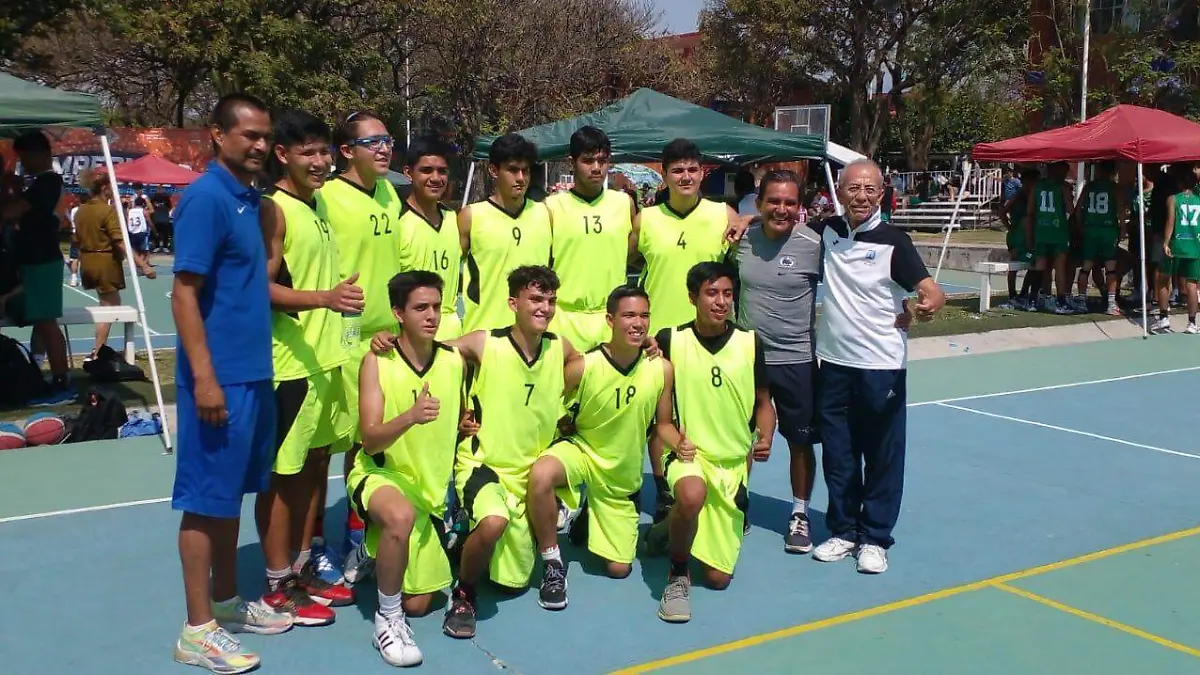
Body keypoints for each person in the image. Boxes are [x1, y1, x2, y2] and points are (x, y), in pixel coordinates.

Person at [170, 93, 294, 675]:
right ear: (217, 136)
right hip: (218, 382)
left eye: (266, 137)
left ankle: (224, 603)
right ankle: (197, 629)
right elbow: (184, 295)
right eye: (248, 136)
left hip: (254, 375)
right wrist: (205, 380)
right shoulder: (206, 200)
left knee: (231, 498)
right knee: (204, 502)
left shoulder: (251, 201)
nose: (260, 146)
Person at [810, 159, 945, 575]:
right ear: (841, 192)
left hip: (880, 366)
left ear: (882, 193)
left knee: (882, 454)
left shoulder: (894, 242)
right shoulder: (826, 232)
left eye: (870, 189)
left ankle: (875, 538)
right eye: (854, 189)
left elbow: (931, 292)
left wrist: (925, 306)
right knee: (839, 452)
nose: (862, 197)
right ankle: (844, 530)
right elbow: (777, 222)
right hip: (832, 363)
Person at [254, 109, 361, 628]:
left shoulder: (313, 204)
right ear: (282, 155)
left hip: (324, 361)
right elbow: (260, 287)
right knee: (282, 477)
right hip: (289, 365)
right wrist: (325, 297)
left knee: (312, 470)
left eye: (323, 152)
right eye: (308, 152)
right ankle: (276, 586)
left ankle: (298, 568)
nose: (319, 162)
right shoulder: (274, 209)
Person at [440, 266, 582, 639]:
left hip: (527, 473)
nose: (545, 308)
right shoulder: (484, 343)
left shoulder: (560, 349)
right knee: (493, 524)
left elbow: (590, 366)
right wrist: (457, 411)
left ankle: (463, 532)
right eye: (535, 299)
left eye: (550, 300)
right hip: (482, 463)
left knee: (513, 582)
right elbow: (430, 357)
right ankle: (463, 596)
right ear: (512, 302)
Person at [526, 285, 675, 610]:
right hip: (582, 451)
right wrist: (565, 425)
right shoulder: (584, 366)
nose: (638, 323)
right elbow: (552, 404)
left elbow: (663, 425)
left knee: (619, 569)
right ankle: (552, 563)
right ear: (610, 319)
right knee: (541, 474)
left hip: (620, 472)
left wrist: (685, 448)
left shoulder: (660, 369)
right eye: (629, 316)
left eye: (644, 315)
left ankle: (590, 514)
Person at [643, 261, 775, 623]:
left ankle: (664, 530)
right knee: (689, 496)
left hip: (732, 466)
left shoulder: (750, 342)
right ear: (692, 297)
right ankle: (678, 575)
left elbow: (764, 404)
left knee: (718, 579)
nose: (721, 301)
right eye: (711, 293)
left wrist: (765, 435)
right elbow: (660, 417)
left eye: (728, 294)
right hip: (689, 456)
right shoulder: (671, 340)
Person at [353, 270, 468, 667]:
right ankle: (387, 619)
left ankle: (376, 553)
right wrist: (411, 416)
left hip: (429, 493)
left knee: (420, 603)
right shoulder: (376, 361)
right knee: (398, 516)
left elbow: (501, 338)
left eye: (436, 306)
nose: (432, 315)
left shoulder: (453, 360)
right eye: (421, 308)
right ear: (398, 313)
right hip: (380, 474)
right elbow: (370, 440)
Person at [632, 138, 748, 524]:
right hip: (659, 341)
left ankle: (731, 491)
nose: (685, 176)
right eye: (676, 170)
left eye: (692, 169)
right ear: (663, 175)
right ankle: (665, 490)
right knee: (658, 421)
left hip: (711, 338)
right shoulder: (645, 220)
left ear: (703, 173)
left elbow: (756, 238)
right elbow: (625, 272)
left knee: (721, 416)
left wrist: (751, 219)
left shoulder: (722, 214)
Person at [318, 110, 405, 581]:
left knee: (373, 442)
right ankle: (318, 545)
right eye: (373, 142)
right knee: (325, 451)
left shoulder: (389, 192)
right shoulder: (327, 196)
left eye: (387, 139)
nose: (385, 148)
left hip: (385, 337)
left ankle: (360, 535)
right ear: (347, 151)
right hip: (343, 336)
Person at [733, 170, 820, 554]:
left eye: (789, 202)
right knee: (740, 440)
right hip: (746, 359)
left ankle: (800, 513)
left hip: (796, 360)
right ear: (759, 202)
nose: (781, 209)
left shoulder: (814, 245)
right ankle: (737, 506)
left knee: (800, 443)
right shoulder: (739, 240)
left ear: (799, 207)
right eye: (773, 201)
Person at [545, 126, 636, 352]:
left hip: (612, 319)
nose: (596, 168)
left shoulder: (624, 204)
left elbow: (633, 253)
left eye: (602, 161)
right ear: (571, 162)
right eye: (587, 161)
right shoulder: (551, 207)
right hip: (565, 319)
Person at [1, 131, 71, 400]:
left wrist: (8, 193)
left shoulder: (49, 182)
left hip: (43, 261)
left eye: (25, 156)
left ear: (41, 154)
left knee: (47, 323)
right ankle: (48, 374)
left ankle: (62, 381)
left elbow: (12, 210)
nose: (23, 162)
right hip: (32, 260)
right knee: (41, 323)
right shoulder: (39, 183)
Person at [459, 133, 552, 334]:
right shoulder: (471, 217)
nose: (520, 178)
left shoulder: (544, 214)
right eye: (512, 170)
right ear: (493, 170)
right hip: (485, 334)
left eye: (525, 171)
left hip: (534, 336)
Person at [74, 168, 154, 359]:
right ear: (104, 188)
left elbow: (77, 238)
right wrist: (142, 264)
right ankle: (97, 350)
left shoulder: (81, 210)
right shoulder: (107, 210)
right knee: (110, 307)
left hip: (88, 261)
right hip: (104, 262)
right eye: (112, 186)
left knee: (108, 304)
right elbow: (120, 241)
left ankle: (99, 348)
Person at [396, 136, 462, 340]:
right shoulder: (397, 222)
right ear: (408, 172)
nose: (436, 178)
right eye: (426, 170)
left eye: (442, 171)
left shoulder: (454, 220)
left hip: (452, 335)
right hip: (410, 338)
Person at [1074, 161, 1125, 316]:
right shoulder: (1114, 188)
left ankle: (1082, 301)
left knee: (1085, 267)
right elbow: (1121, 210)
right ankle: (1110, 303)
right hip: (1108, 230)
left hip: (1091, 229)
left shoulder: (1089, 186)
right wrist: (1122, 228)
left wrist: (1080, 227)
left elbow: (1078, 210)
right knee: (1111, 268)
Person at [1026, 161, 1074, 314]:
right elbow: (1070, 209)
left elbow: (1030, 210)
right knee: (1059, 266)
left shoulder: (1037, 186)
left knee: (1040, 264)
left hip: (1041, 229)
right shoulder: (1063, 187)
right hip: (1058, 230)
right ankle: (1061, 301)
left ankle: (1033, 300)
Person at [1159, 164, 1200, 334]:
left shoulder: (1174, 199)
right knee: (1191, 284)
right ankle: (1192, 322)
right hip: (1195, 246)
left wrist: (1165, 242)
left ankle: (1163, 318)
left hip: (1177, 244)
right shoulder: (1198, 199)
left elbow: (1170, 222)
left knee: (1163, 279)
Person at [999, 166, 1041, 310]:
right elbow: (1002, 213)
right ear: (1027, 181)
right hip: (1017, 236)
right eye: (1034, 181)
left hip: (1029, 235)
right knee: (1014, 264)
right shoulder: (1018, 195)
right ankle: (1012, 295)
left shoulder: (1035, 196)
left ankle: (1024, 293)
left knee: (1034, 264)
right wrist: (1010, 228)